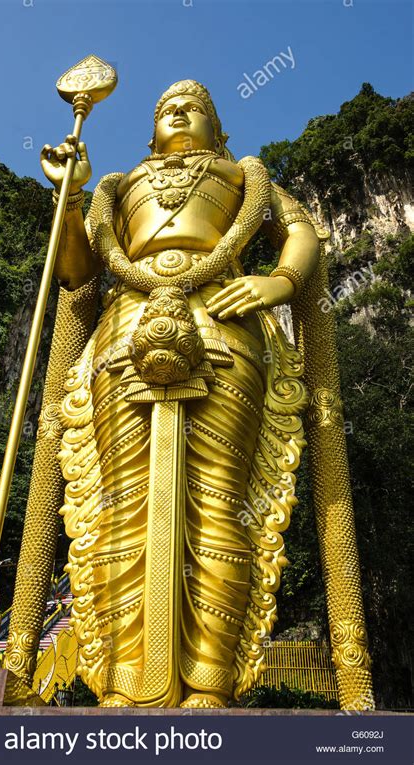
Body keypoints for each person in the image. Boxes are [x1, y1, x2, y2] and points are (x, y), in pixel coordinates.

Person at [38, 80, 331, 708]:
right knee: (120, 511)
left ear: (218, 132)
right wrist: (69, 198)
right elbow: (78, 274)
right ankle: (119, 683)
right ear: (149, 133)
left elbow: (302, 231)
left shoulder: (243, 176)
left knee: (220, 503)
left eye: (194, 107)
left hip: (224, 324)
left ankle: (208, 683)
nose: (177, 111)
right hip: (126, 331)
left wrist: (279, 281)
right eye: (166, 109)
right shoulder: (119, 187)